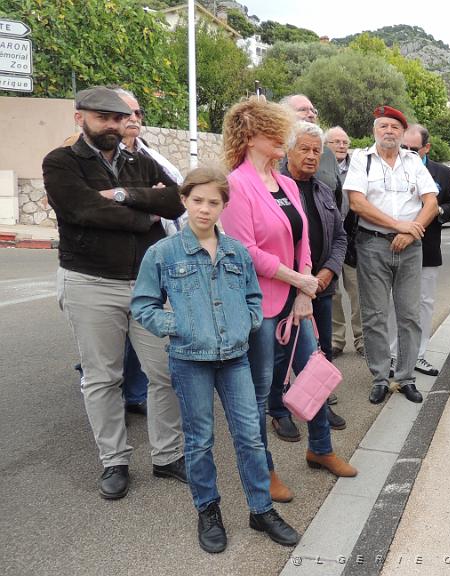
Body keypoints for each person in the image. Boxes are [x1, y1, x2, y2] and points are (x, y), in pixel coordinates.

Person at [131, 166, 300, 553]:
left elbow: (254, 297)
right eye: (197, 200)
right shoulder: (163, 253)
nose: (205, 209)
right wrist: (180, 324)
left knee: (250, 438)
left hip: (235, 358)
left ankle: (261, 510)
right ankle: (208, 510)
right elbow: (143, 305)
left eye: (213, 202)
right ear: (184, 201)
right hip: (190, 359)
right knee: (200, 440)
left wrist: (248, 321)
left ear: (224, 205)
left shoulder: (236, 251)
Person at [44, 86, 186, 499]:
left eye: (118, 118)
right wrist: (145, 216)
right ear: (80, 118)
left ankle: (167, 456)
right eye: (102, 117)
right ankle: (115, 461)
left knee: (164, 372)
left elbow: (175, 201)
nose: (112, 125)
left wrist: (124, 195)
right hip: (90, 282)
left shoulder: (138, 161)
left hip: (146, 285)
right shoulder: (61, 162)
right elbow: (81, 210)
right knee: (103, 377)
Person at [220, 97, 357, 506]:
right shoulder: (237, 184)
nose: (284, 137)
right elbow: (245, 250)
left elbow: (303, 243)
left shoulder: (285, 183)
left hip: (297, 300)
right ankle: (265, 471)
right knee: (263, 391)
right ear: (251, 137)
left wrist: (303, 292)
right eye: (274, 131)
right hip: (261, 305)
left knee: (314, 374)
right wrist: (298, 279)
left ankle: (320, 448)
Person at [344, 105, 439, 405]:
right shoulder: (361, 160)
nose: (389, 131)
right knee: (374, 316)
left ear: (402, 132)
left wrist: (410, 232)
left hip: (411, 247)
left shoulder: (413, 162)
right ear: (375, 130)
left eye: (394, 127)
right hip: (372, 245)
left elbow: (431, 204)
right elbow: (357, 203)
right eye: (383, 126)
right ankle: (380, 378)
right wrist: (398, 225)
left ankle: (406, 377)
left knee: (409, 315)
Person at [270, 121, 348, 441]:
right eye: (304, 148)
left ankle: (317, 403)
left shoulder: (323, 190)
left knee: (320, 350)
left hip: (321, 287)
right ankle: (278, 408)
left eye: (317, 150)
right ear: (287, 151)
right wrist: (301, 280)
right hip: (286, 288)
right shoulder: (274, 189)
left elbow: (341, 237)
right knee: (282, 353)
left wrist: (327, 272)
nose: (312, 156)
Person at [115, 87, 185, 415]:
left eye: (138, 113)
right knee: (114, 337)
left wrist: (141, 199)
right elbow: (94, 207)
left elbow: (178, 196)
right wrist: (151, 200)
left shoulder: (150, 157)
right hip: (107, 263)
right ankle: (107, 385)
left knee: (143, 321)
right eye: (126, 112)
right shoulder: (89, 157)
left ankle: (133, 391)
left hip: (150, 254)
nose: (133, 118)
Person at [384, 124, 450, 376]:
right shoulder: (390, 167)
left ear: (426, 148)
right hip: (396, 246)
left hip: (427, 247)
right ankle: (395, 356)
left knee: (424, 302)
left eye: (413, 149)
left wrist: (435, 212)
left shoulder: (443, 173)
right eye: (403, 147)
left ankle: (419, 354)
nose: (406, 152)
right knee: (397, 303)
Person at [325, 126, 363, 358]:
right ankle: (336, 340)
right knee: (333, 293)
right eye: (336, 142)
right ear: (326, 145)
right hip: (327, 237)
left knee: (357, 290)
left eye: (345, 142)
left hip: (353, 237)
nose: (341, 146)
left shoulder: (358, 167)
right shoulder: (320, 166)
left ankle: (362, 339)